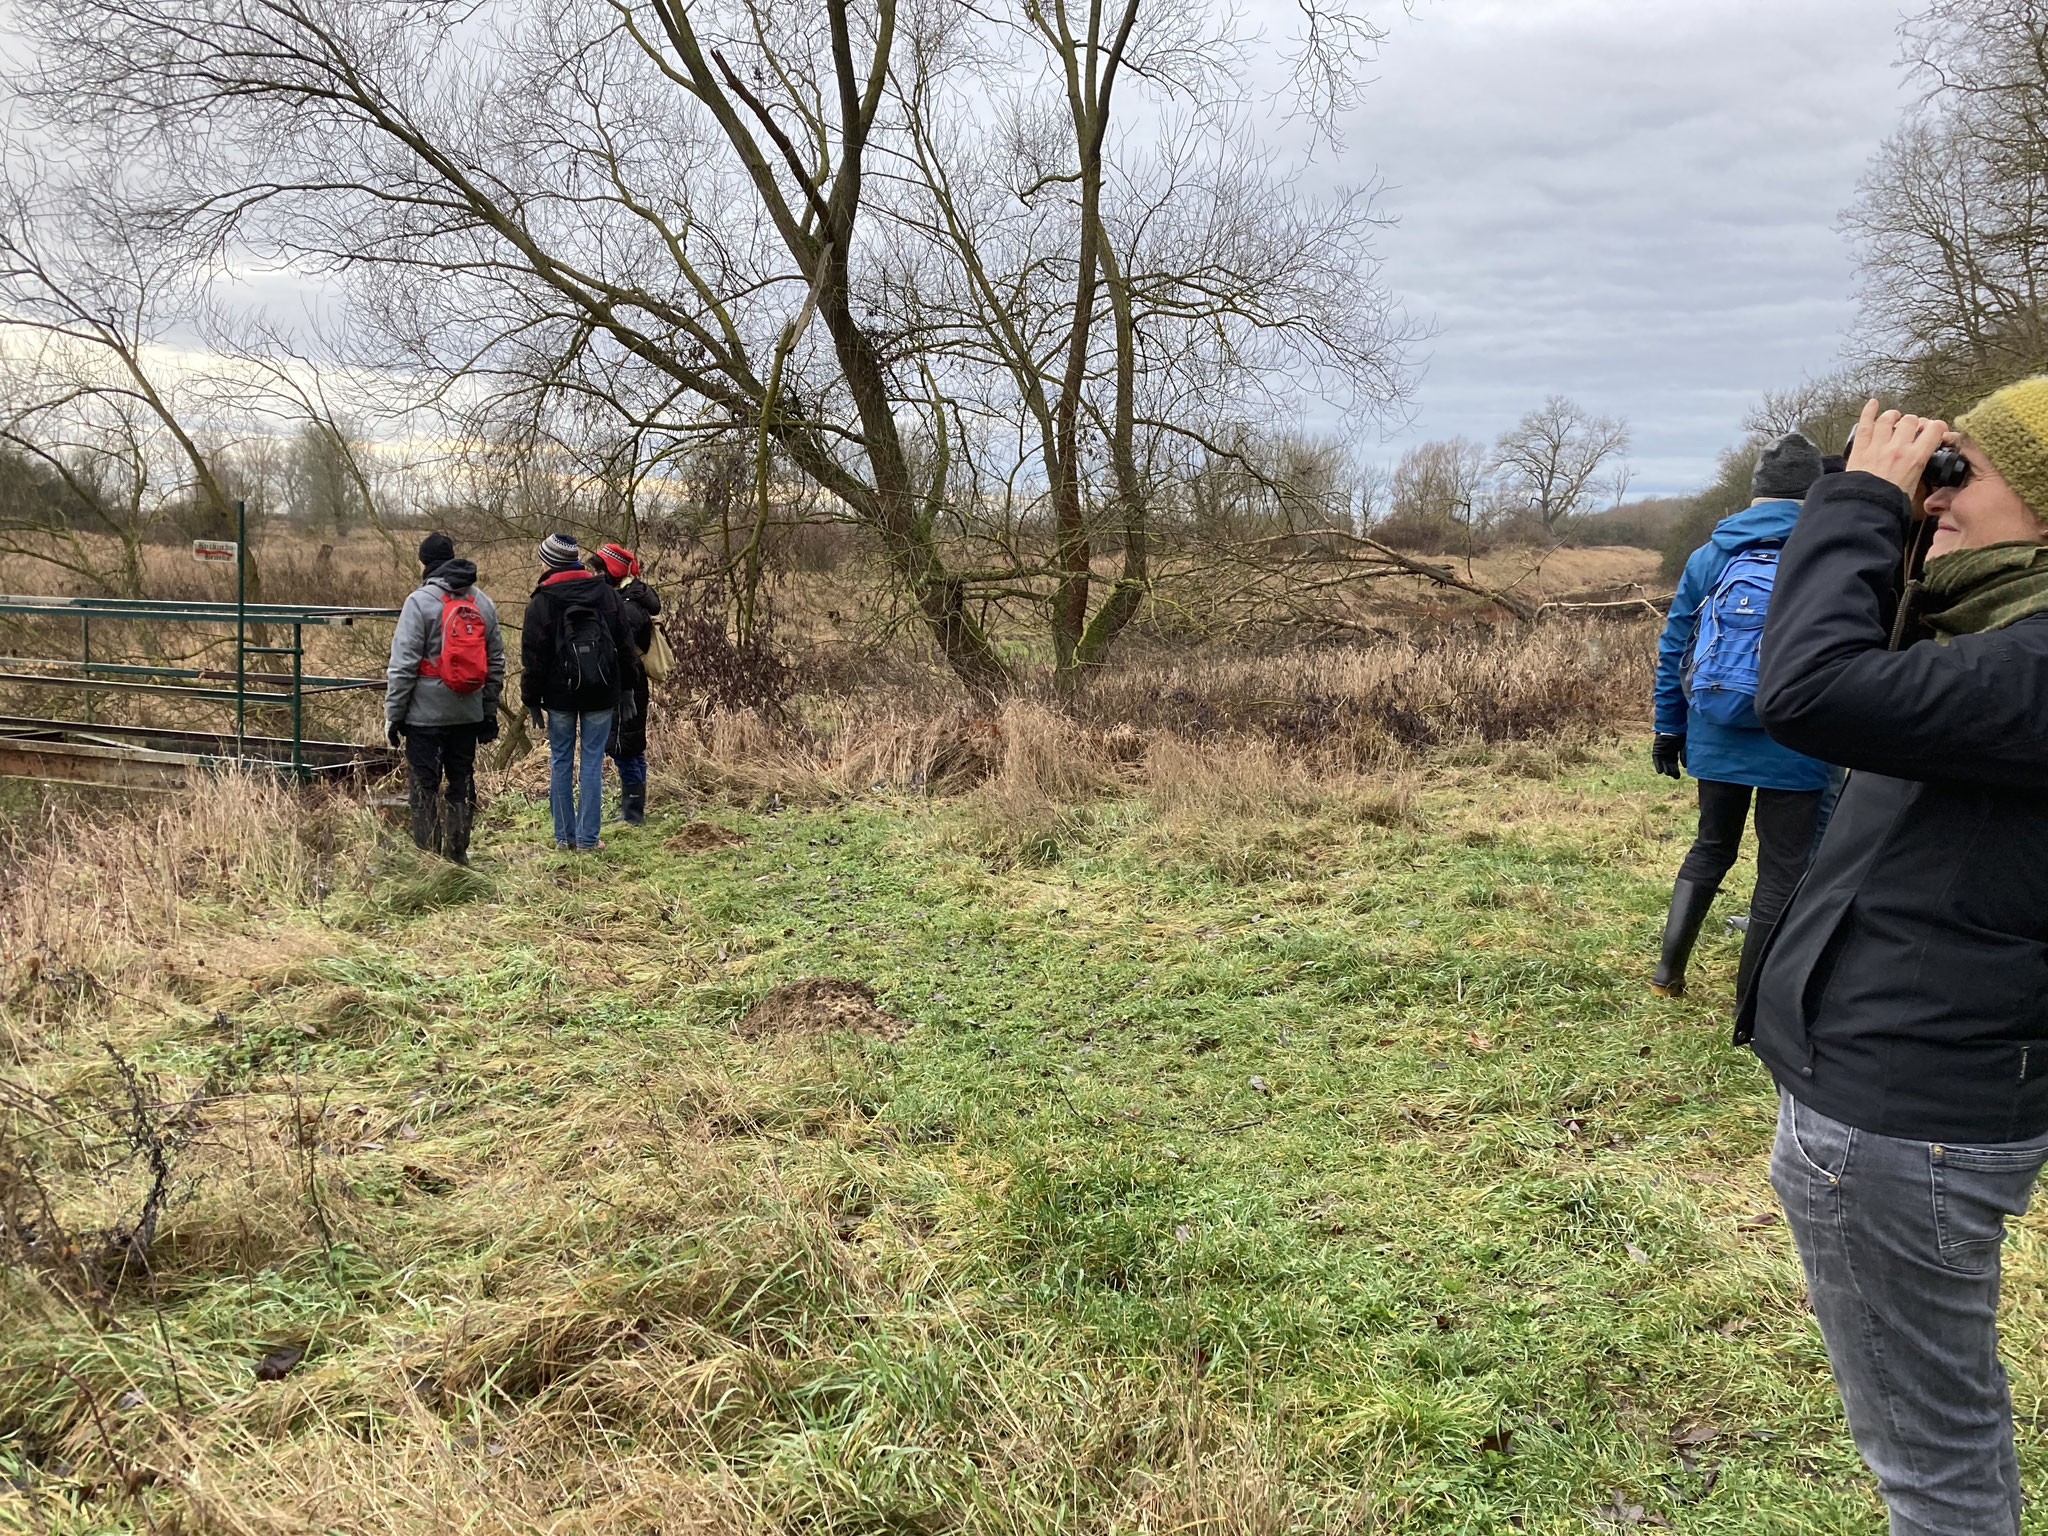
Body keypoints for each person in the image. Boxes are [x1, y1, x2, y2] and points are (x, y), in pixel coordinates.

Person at [1742, 386, 2048, 1536]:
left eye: (1957, 471)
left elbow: (1810, 689)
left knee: (1933, 1464)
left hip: (1905, 1116)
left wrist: (1860, 502)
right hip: (1916, 1090)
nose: (1936, 493)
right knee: (1935, 1437)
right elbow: (1861, 677)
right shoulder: (1996, 639)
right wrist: (1887, 524)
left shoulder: (2028, 668)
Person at [1648, 432, 1833, 999]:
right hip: (1796, 737)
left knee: (1711, 847)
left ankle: (1667, 975)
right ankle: (1750, 1003)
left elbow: (1676, 642)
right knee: (1783, 869)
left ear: (1755, 493)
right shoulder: (1829, 552)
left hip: (1716, 726)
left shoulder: (1710, 555)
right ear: (1814, 492)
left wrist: (1667, 726)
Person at [384, 531, 503, 865]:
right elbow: (496, 663)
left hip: (423, 717)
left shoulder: (418, 602)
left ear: (424, 563)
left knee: (425, 787)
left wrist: (393, 716)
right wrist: (488, 711)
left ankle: (430, 861)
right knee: (461, 782)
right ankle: (458, 854)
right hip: (467, 713)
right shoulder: (482, 602)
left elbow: (403, 666)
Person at [519, 532, 634, 852]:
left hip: (560, 696)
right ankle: (587, 840)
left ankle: (563, 838)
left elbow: (533, 657)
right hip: (602, 690)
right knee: (593, 763)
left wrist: (530, 698)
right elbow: (625, 645)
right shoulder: (607, 594)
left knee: (560, 762)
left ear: (550, 562)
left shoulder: (542, 600)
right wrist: (627, 690)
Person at [591, 542, 660, 825]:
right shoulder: (629, 599)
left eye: (598, 569)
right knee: (628, 747)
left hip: (628, 687)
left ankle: (633, 815)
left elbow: (622, 650)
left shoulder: (628, 607)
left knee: (626, 748)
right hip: (628, 685)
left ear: (613, 571)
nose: (593, 575)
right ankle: (632, 811)